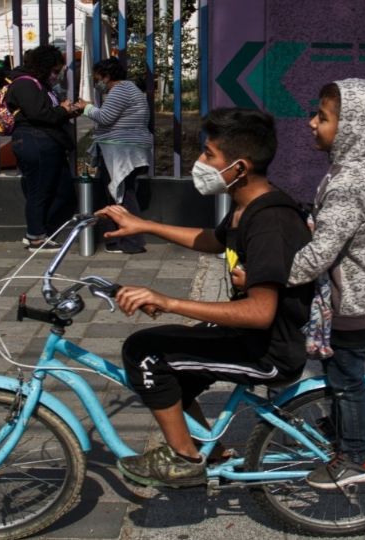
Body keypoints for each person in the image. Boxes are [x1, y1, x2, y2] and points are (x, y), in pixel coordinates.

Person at [95, 108, 314, 488]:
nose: (200, 162)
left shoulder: (270, 222)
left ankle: (184, 459)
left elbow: (261, 312)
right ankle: (208, 451)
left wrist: (168, 301)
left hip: (269, 350)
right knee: (164, 359)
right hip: (251, 337)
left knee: (145, 354)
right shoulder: (247, 205)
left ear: (240, 167)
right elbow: (214, 240)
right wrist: (144, 224)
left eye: (209, 155)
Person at [234, 79, 365, 490]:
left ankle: (358, 456)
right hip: (352, 296)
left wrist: (260, 277)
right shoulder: (348, 169)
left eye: (322, 117)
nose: (311, 123)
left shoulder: (349, 183)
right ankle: (343, 430)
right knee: (339, 372)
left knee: (344, 380)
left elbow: (319, 256)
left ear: (352, 126)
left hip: (351, 303)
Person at [5, 45, 80, 251]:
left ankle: (39, 229)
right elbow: (40, 114)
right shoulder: (25, 85)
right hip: (34, 142)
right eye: (55, 71)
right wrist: (63, 110)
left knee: (63, 191)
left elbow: (48, 112)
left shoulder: (40, 84)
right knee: (39, 191)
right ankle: (35, 236)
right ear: (44, 67)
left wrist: (67, 111)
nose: (57, 76)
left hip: (47, 142)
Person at [75, 58, 152, 254]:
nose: (97, 82)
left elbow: (105, 117)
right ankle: (118, 240)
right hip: (125, 148)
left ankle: (132, 242)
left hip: (120, 151)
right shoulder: (130, 89)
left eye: (98, 78)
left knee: (124, 195)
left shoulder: (120, 90)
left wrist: (86, 107)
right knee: (119, 194)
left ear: (107, 76)